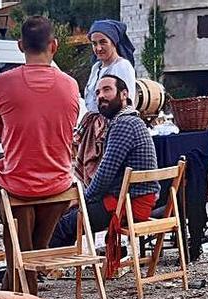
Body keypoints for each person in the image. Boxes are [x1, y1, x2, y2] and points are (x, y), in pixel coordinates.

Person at [0, 15, 80, 295]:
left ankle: (21, 292)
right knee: (30, 251)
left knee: (18, 244)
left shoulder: (3, 83)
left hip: (18, 184)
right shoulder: (70, 84)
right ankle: (28, 278)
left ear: (20, 45)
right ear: (54, 45)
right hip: (58, 185)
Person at [51, 75, 158, 278]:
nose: (101, 96)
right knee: (66, 217)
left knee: (64, 223)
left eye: (107, 90)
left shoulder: (124, 124)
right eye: (98, 92)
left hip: (127, 205)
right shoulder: (129, 121)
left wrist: (83, 200)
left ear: (124, 94)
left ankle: (30, 271)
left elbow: (105, 174)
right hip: (129, 200)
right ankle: (44, 266)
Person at [74, 20, 138, 185]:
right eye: (94, 43)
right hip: (92, 128)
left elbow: (127, 104)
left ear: (114, 42)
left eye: (103, 42)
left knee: (104, 174)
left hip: (111, 129)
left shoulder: (123, 67)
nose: (98, 48)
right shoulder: (96, 68)